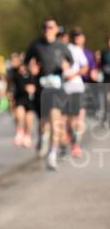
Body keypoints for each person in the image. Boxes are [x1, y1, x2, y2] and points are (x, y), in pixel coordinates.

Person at [24, 19, 72, 171]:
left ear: (56, 29)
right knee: (43, 122)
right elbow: (26, 62)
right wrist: (31, 69)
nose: (47, 30)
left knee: (55, 119)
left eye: (51, 27)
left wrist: (66, 67)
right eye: (45, 27)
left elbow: (70, 62)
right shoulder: (36, 45)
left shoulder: (61, 46)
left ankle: (52, 154)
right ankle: (42, 138)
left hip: (56, 88)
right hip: (41, 87)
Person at [63, 27, 89, 159]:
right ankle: (71, 139)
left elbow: (85, 67)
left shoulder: (77, 50)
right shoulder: (61, 49)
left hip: (76, 87)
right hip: (63, 88)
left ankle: (76, 145)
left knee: (78, 117)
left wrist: (73, 74)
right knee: (69, 119)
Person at [7, 52, 37, 148]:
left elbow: (36, 81)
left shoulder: (31, 71)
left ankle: (27, 135)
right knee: (20, 116)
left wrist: (33, 87)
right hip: (19, 98)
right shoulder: (13, 72)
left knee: (29, 120)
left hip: (30, 99)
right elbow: (10, 86)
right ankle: (19, 132)